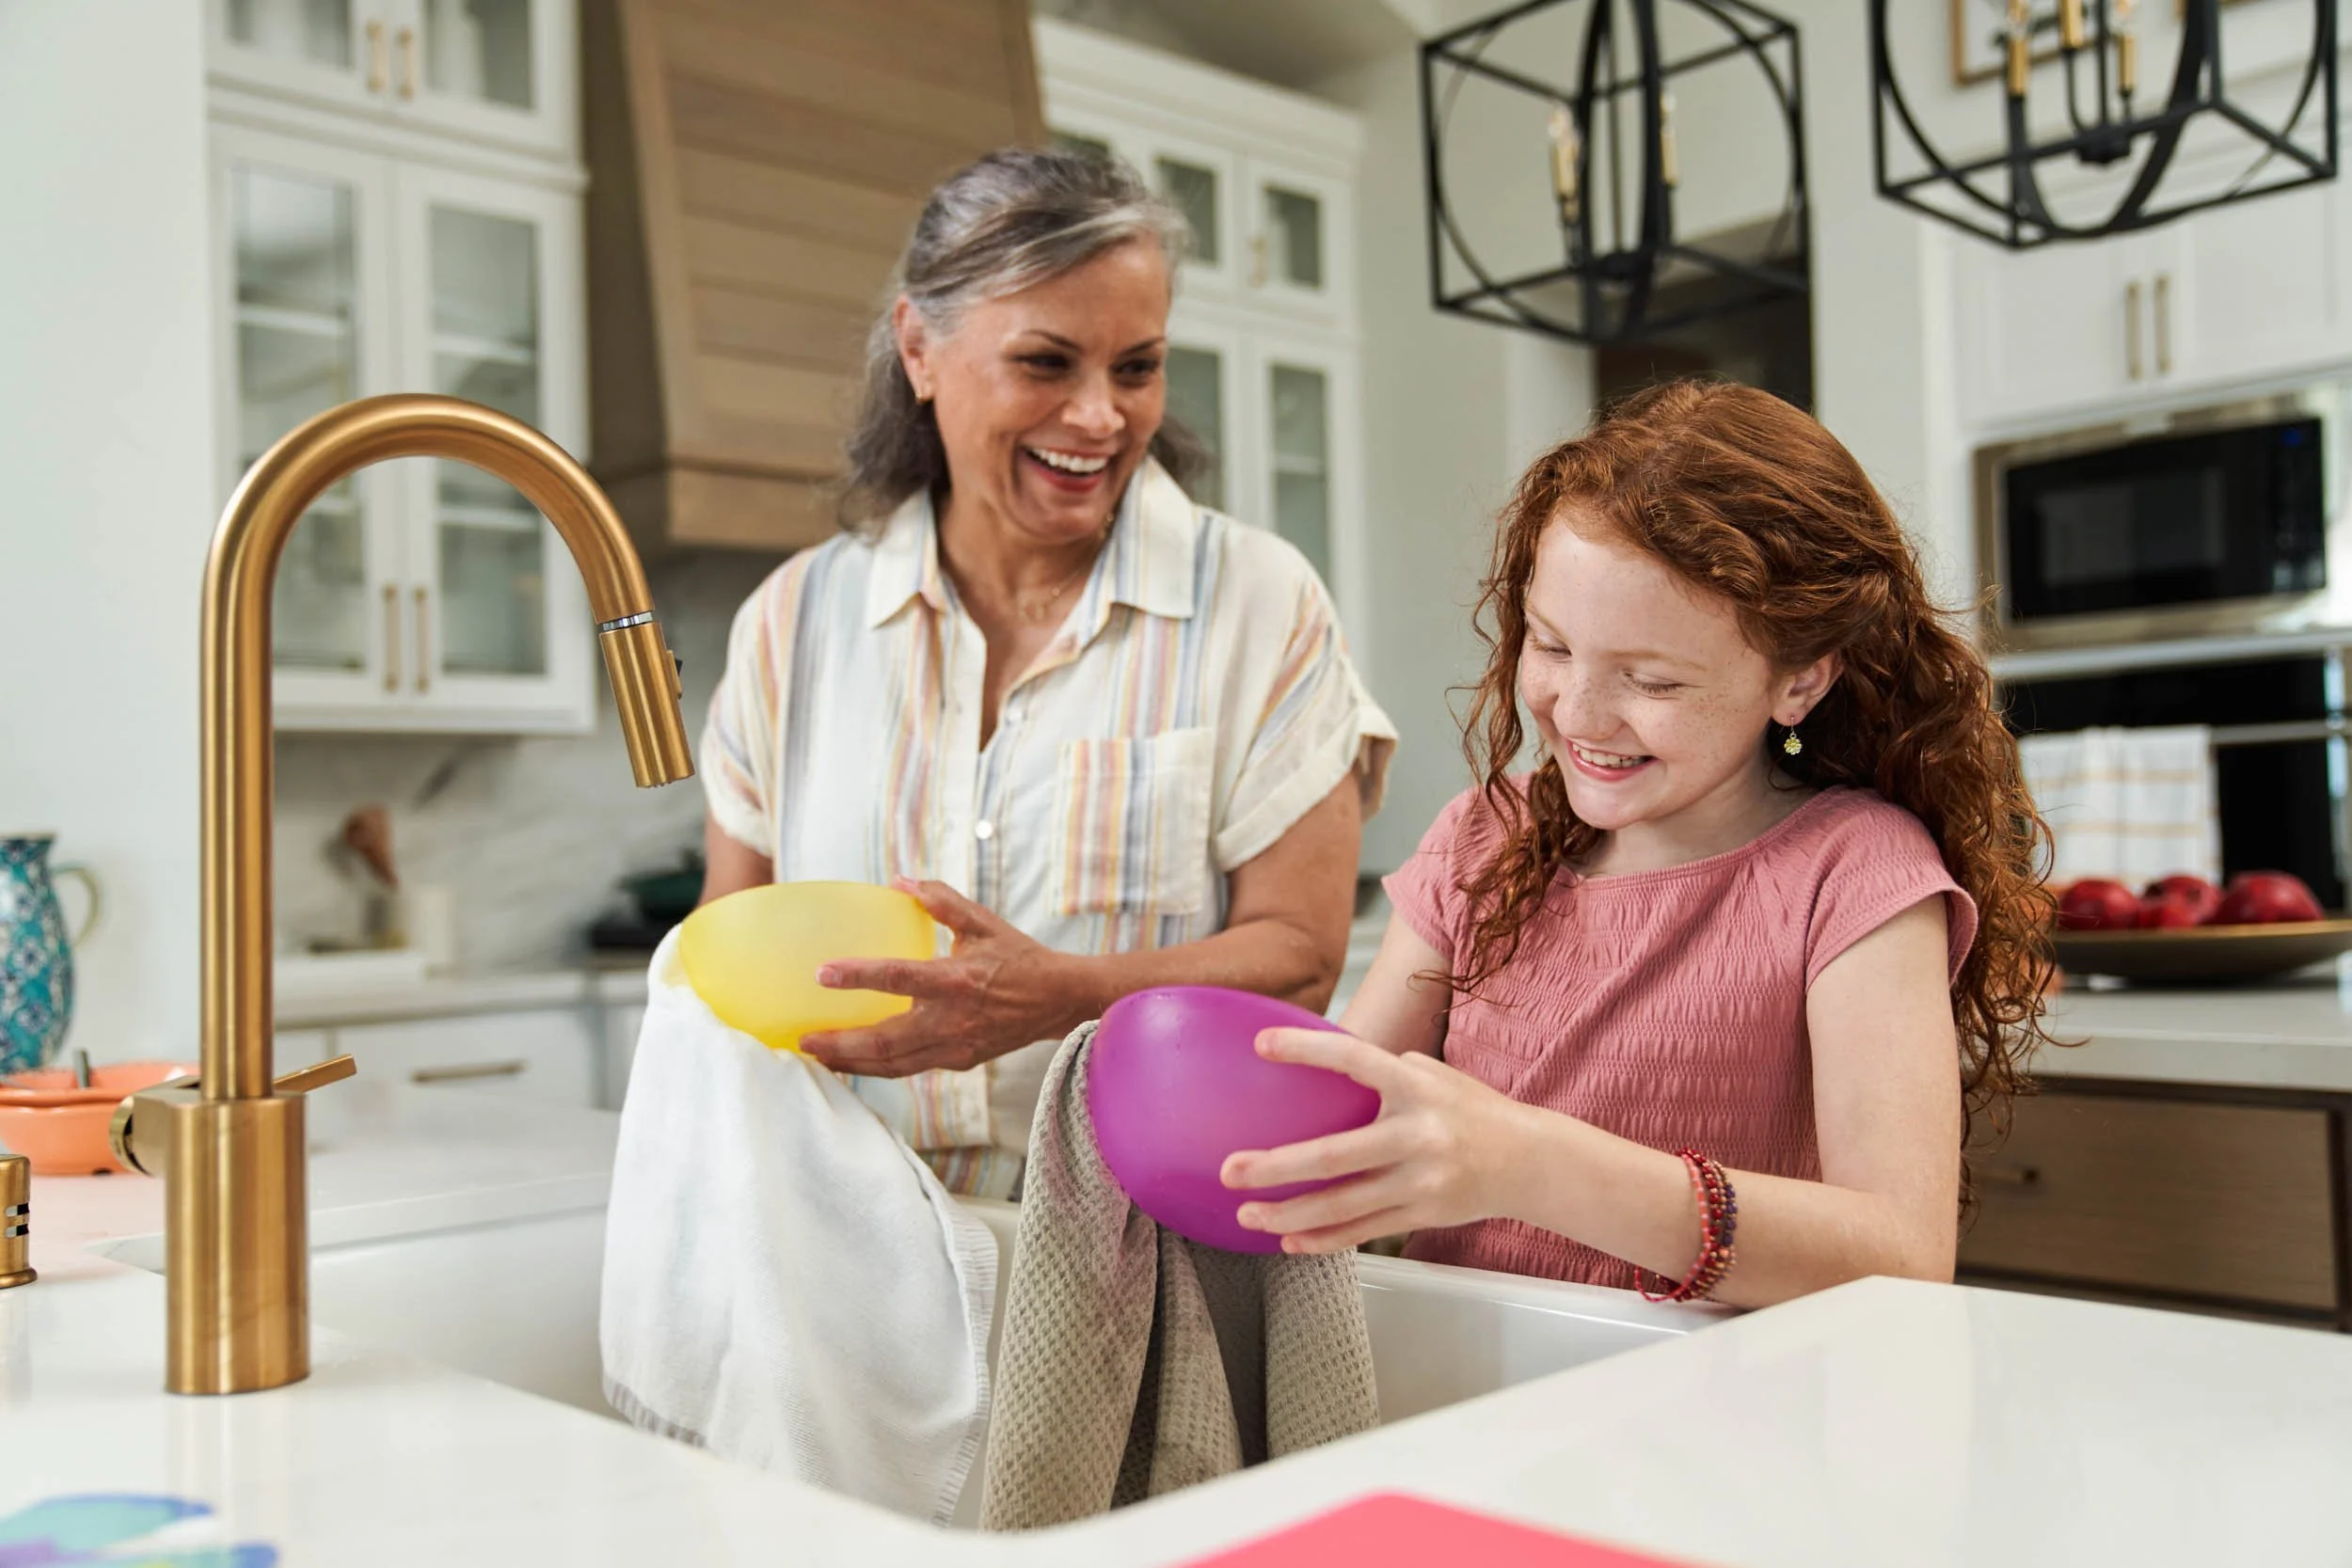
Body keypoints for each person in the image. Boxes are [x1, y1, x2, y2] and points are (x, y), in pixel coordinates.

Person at [1221, 380, 2056, 1307]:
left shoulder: (1857, 872)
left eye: (1651, 679)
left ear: (1800, 679)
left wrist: (1529, 1162)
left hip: (1710, 1416)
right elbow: (1323, 1114)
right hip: (1458, 1393)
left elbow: (1900, 1252)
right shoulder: (1481, 837)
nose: (1575, 714)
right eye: (1550, 645)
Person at [696, 149, 1394, 1199]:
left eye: (1137, 366)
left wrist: (1062, 992)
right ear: (918, 348)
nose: (1099, 418)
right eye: (1045, 362)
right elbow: (728, 966)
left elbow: (1299, 951)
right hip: (844, 1238)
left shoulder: (1258, 599)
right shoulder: (790, 625)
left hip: (1140, 1240)